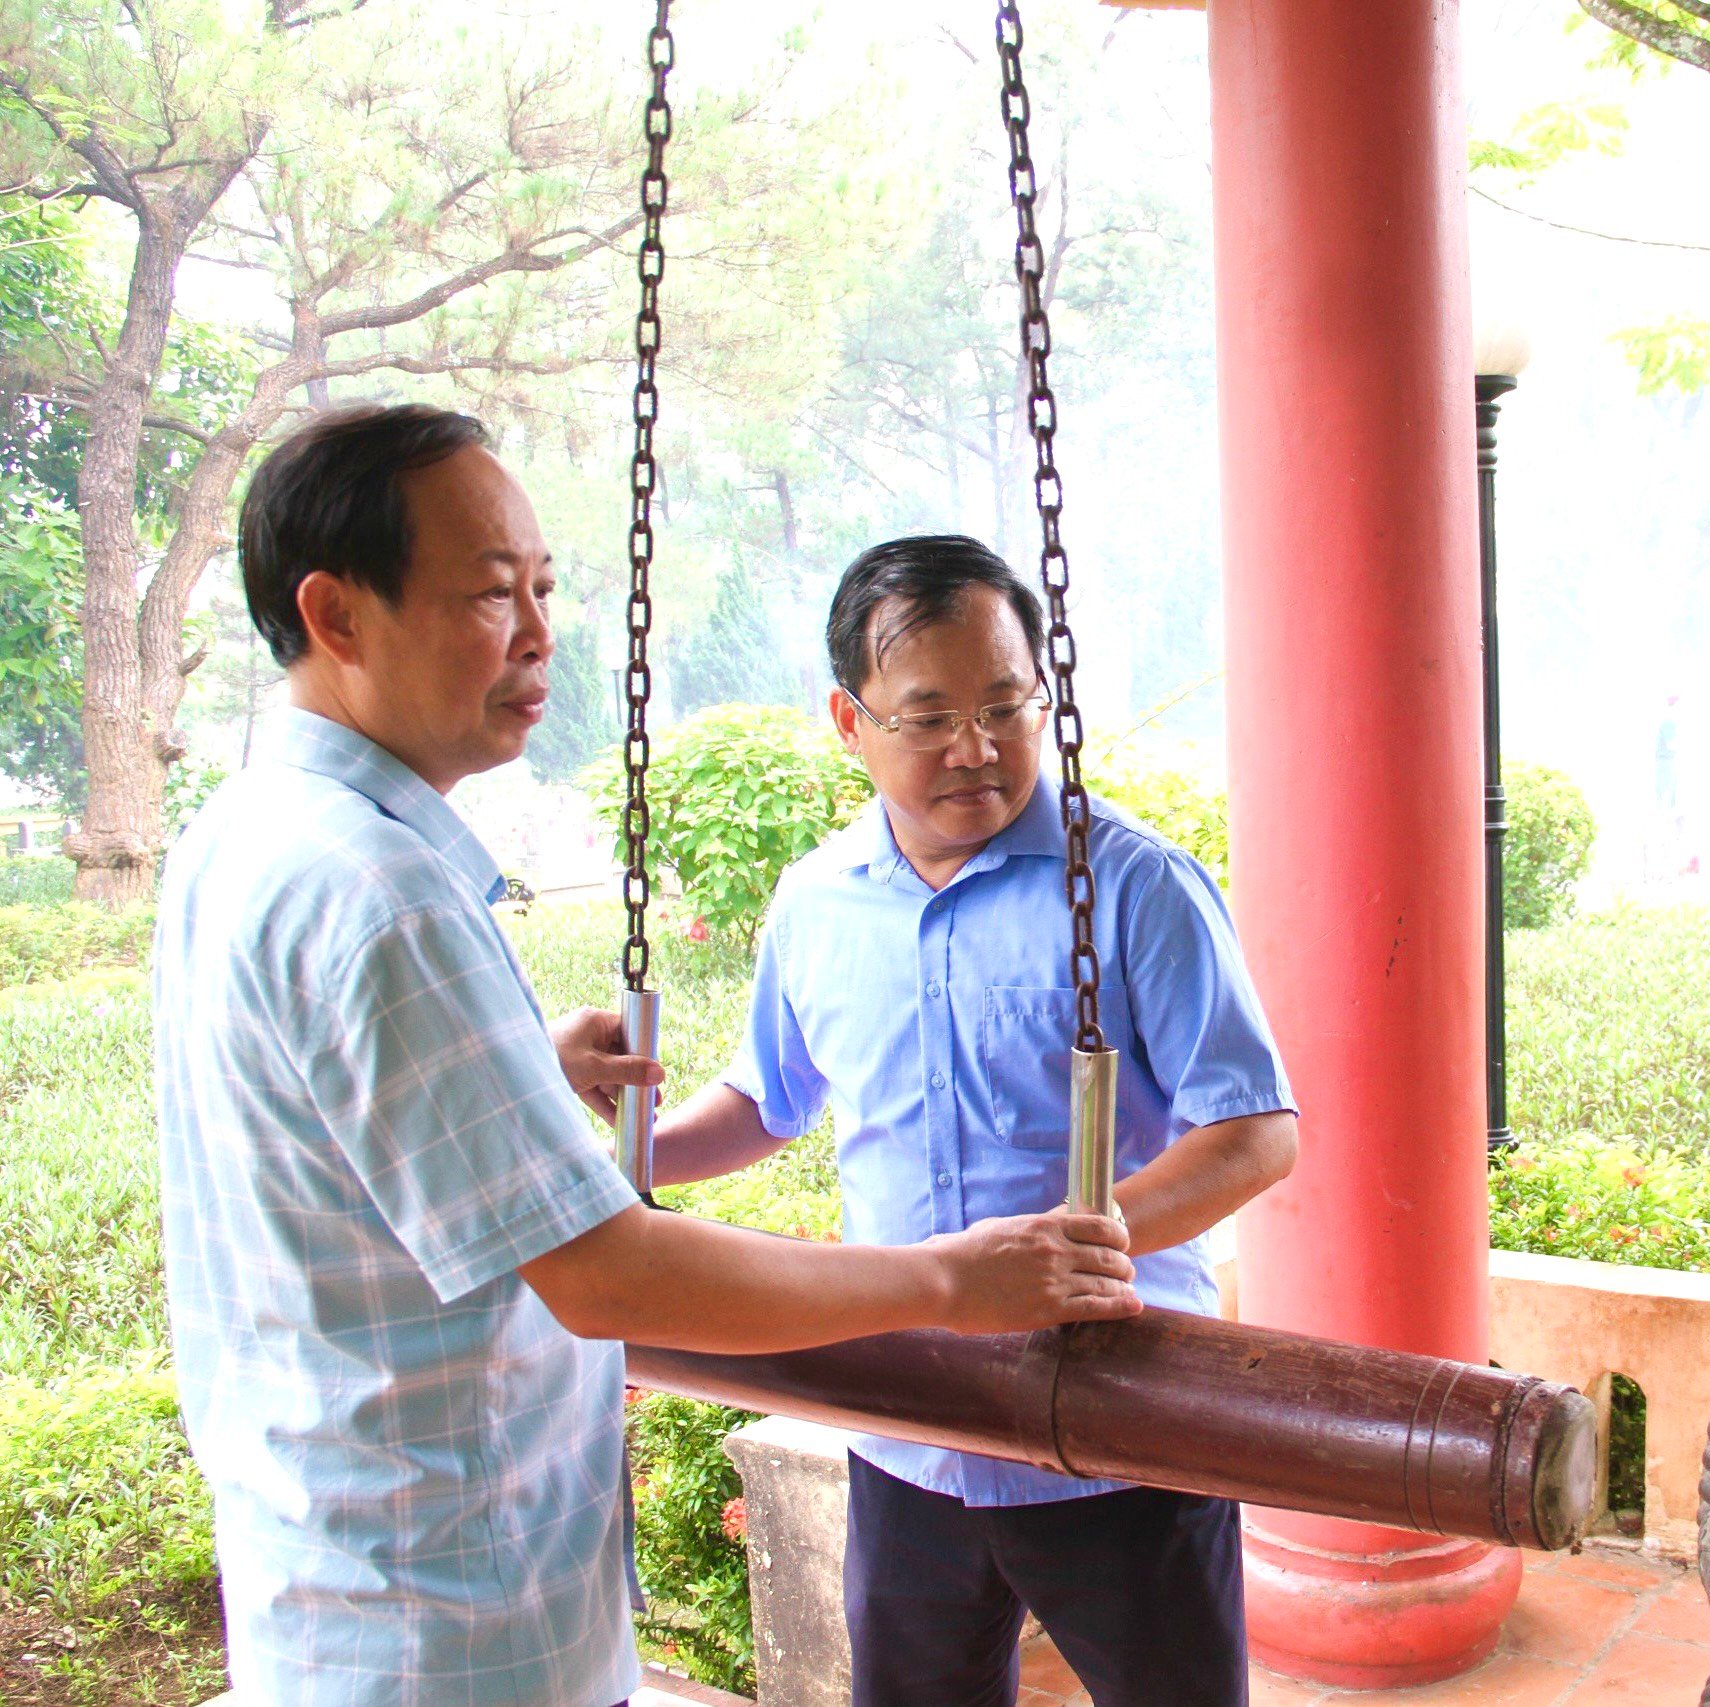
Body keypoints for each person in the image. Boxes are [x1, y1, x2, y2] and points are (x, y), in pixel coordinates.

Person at [156, 409, 1138, 1707]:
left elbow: (325, 1139)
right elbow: (609, 1270)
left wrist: (510, 1064)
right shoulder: (384, 890)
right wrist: (954, 1276)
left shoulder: (249, 832)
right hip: (454, 1634)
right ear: (336, 614)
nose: (538, 634)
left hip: (338, 1598)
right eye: (490, 592)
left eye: (546, 588)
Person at [651, 535, 1300, 1707]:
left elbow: (1254, 1130)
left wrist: (1083, 1241)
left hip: (1119, 1421)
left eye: (1007, 706)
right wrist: (623, 1145)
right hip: (910, 1424)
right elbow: (761, 1103)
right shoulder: (816, 904)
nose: (977, 748)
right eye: (928, 715)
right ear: (849, 722)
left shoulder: (1136, 886)